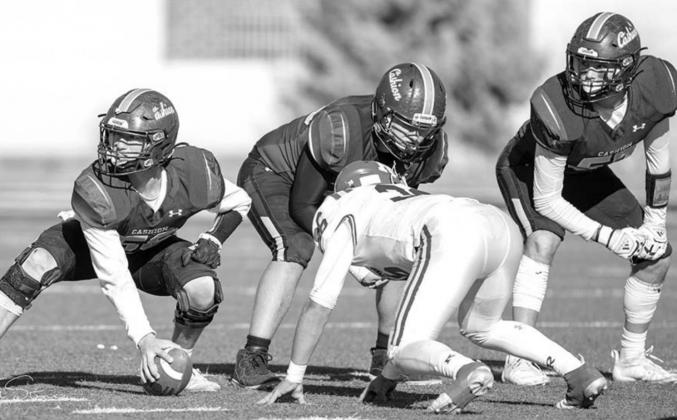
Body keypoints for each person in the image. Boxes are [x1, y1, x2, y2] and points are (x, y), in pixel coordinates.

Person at [257, 161, 608, 412]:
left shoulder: (343, 207)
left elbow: (319, 303)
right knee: (482, 326)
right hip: (497, 224)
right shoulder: (398, 195)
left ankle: (468, 372)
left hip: (450, 232)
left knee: (402, 346)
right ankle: (578, 372)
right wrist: (389, 376)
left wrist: (295, 374)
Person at [0, 89, 251, 392]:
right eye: (113, 135)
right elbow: (115, 276)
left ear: (161, 144)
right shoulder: (98, 190)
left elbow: (240, 201)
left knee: (203, 287)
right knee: (34, 265)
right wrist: (143, 337)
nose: (115, 145)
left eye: (129, 138)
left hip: (151, 250)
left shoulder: (192, 173)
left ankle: (177, 362)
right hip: (88, 242)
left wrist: (214, 238)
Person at [233, 63, 449, 389]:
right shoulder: (340, 129)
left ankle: (389, 353)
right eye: (405, 127)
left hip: (338, 188)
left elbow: (397, 214)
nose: (414, 139)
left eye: (423, 131)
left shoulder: (428, 150)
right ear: (380, 113)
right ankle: (252, 358)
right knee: (295, 248)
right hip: (276, 173)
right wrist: (353, 259)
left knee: (399, 242)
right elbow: (303, 205)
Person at [495, 12, 677, 386]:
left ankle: (631, 360)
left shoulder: (656, 86)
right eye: (580, 64)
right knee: (543, 240)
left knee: (656, 255)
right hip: (529, 167)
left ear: (627, 68)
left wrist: (655, 221)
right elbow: (548, 201)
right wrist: (608, 236)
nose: (583, 76)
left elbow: (658, 163)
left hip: (586, 172)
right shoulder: (555, 103)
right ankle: (518, 358)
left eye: (598, 68)